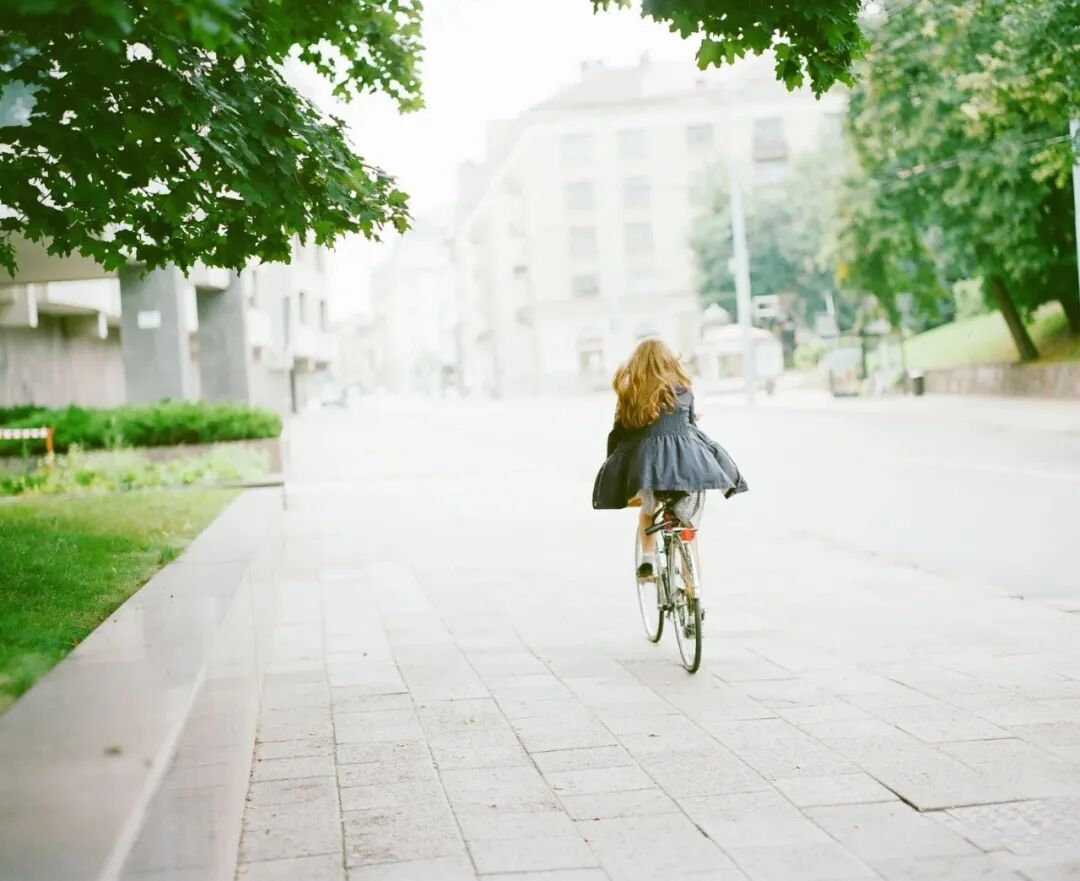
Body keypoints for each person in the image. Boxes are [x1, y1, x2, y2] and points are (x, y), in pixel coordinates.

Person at [592, 338, 748, 580]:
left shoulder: (630, 392)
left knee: (647, 511)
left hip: (647, 467)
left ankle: (647, 561)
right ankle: (691, 586)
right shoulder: (683, 388)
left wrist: (618, 470)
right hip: (687, 463)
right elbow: (690, 425)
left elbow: (619, 432)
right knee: (687, 525)